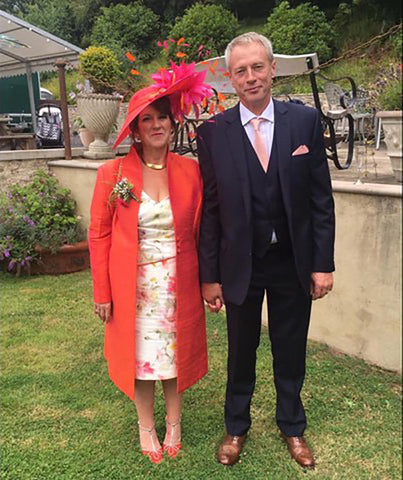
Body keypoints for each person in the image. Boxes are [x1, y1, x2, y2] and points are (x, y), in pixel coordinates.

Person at [196, 32, 335, 469]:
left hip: (291, 260)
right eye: (241, 70)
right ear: (230, 79)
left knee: (289, 345)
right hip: (241, 262)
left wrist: (322, 264)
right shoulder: (213, 133)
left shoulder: (304, 123)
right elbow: (212, 210)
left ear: (273, 69)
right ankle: (236, 426)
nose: (251, 77)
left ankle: (292, 426)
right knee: (241, 349)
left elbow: (320, 200)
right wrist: (210, 274)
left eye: (258, 67)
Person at [89, 63, 212, 464]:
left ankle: (174, 422)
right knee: (140, 358)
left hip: (180, 282)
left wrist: (211, 280)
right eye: (147, 119)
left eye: (163, 117)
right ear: (136, 129)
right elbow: (99, 234)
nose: (156, 124)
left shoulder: (191, 171)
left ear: (172, 124)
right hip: (133, 287)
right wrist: (102, 292)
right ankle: (146, 426)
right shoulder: (113, 173)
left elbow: (204, 230)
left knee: (175, 353)